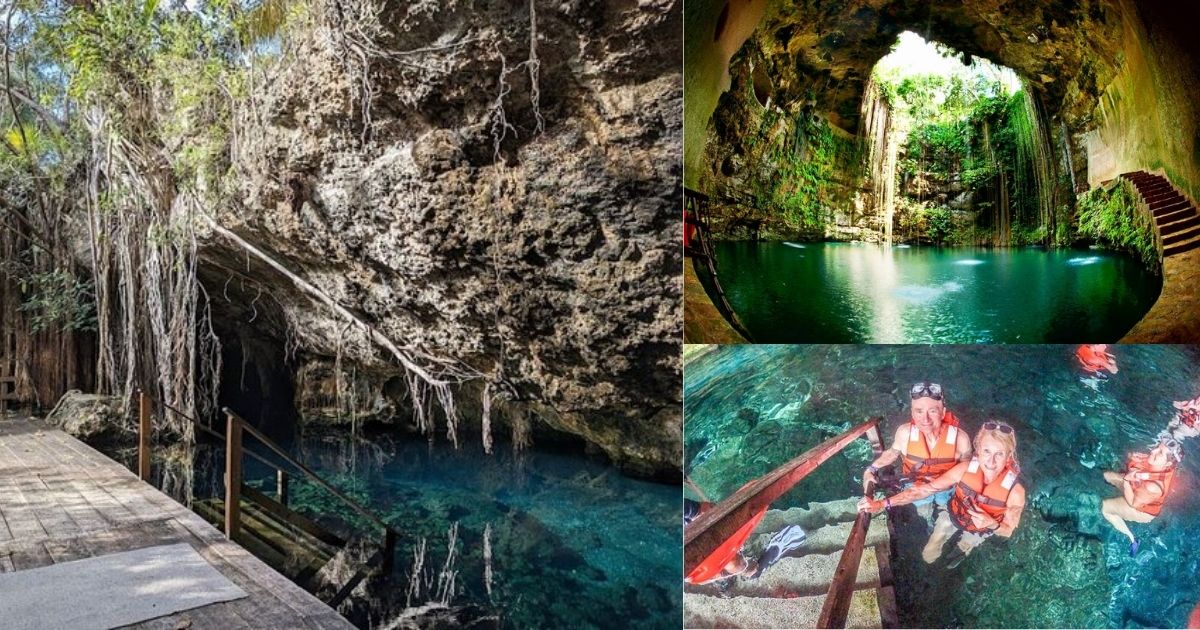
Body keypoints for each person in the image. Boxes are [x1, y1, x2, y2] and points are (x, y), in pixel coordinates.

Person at [858, 421, 1027, 567]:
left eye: (999, 454)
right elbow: (924, 489)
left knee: (966, 544)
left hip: (980, 530)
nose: (991, 461)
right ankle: (946, 544)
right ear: (978, 451)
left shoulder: (1015, 492)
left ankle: (962, 548)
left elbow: (1008, 531)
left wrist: (991, 523)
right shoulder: (964, 469)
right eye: (987, 452)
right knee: (928, 557)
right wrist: (880, 504)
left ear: (1009, 457)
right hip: (951, 517)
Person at [861, 382, 972, 516]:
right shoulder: (905, 433)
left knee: (946, 511)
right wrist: (871, 469)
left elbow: (966, 471)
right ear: (912, 413)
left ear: (943, 413)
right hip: (913, 485)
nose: (925, 419)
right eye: (919, 411)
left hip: (946, 488)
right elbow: (892, 453)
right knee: (923, 513)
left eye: (932, 411)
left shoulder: (960, 439)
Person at [1100, 433, 1182, 556]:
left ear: (1168, 464)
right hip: (1138, 489)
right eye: (1158, 447)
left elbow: (1132, 503)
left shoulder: (1154, 486)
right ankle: (1113, 490)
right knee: (1107, 476)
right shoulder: (1164, 465)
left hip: (1142, 511)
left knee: (1104, 507)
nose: (1153, 451)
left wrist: (1127, 481)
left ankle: (1133, 539)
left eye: (1159, 453)